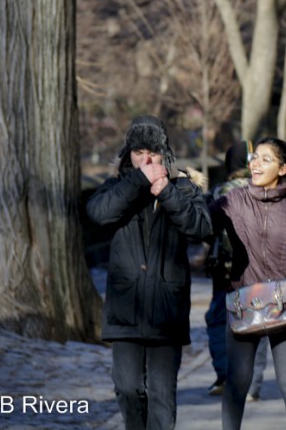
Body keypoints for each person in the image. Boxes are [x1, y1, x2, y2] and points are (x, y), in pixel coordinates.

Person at [86, 115, 212, 430]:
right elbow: (97, 214)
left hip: (166, 310)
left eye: (153, 152)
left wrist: (166, 192)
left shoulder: (183, 187)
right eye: (139, 151)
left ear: (164, 153)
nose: (147, 158)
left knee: (161, 395)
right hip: (125, 309)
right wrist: (139, 181)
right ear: (128, 154)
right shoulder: (117, 187)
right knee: (128, 388)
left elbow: (201, 228)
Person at [209, 137, 286, 430]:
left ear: (283, 168)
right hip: (241, 304)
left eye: (265, 159)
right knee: (237, 383)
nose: (256, 164)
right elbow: (201, 225)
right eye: (255, 158)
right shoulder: (232, 201)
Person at [204, 140, 268, 399]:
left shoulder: (223, 191)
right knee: (258, 324)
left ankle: (225, 374)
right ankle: (252, 384)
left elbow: (207, 229)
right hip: (263, 270)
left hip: (228, 272)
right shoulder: (265, 188)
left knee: (219, 321)